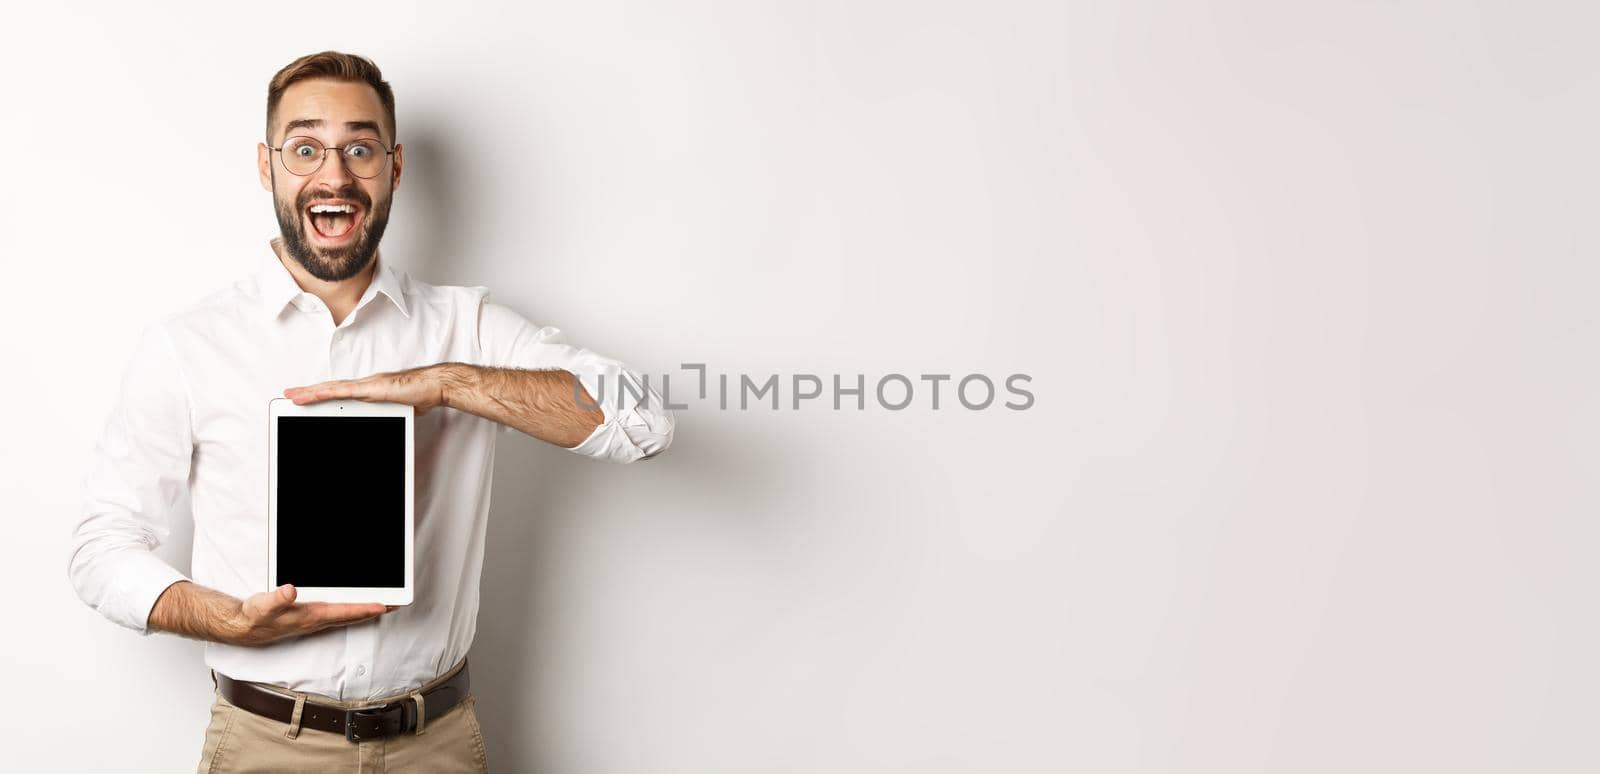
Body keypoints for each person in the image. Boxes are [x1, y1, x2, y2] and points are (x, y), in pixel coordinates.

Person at [66, 50, 675, 773]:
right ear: (267, 167)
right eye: (305, 148)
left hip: (436, 746)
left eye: (359, 148)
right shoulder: (188, 346)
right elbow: (101, 548)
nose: (334, 175)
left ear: (394, 166)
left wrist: (449, 383)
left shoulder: (467, 329)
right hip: (265, 745)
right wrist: (226, 619)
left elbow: (643, 422)